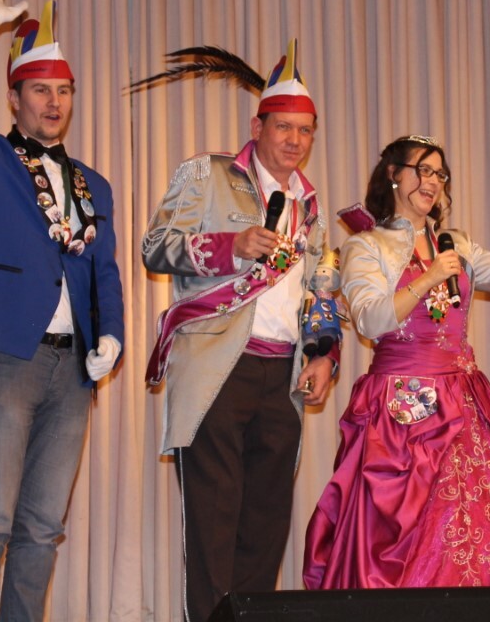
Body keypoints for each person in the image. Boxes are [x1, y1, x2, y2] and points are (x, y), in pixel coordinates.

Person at [303, 135, 490, 621]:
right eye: (423, 170)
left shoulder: (455, 243)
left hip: (461, 402)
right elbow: (370, 319)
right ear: (394, 174)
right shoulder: (366, 246)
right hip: (399, 414)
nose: (432, 182)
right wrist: (429, 277)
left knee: (479, 527)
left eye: (439, 174)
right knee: (401, 533)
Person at [0, 0, 125, 622]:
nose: (54, 101)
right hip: (6, 354)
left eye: (63, 90)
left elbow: (105, 272)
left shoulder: (94, 184)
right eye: (40, 89)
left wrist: (112, 333)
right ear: (13, 97)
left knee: (42, 527)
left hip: (73, 371)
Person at [141, 39, 336, 622]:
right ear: (257, 127)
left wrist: (324, 353)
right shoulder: (208, 174)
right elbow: (156, 247)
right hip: (218, 365)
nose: (295, 140)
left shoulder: (310, 206)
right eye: (284, 127)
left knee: (266, 525)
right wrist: (232, 246)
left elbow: (320, 290)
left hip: (283, 375)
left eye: (305, 131)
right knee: (214, 521)